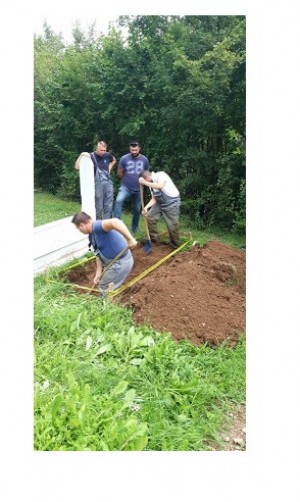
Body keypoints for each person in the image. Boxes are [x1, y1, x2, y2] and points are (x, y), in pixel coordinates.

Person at [71, 211, 137, 295]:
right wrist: (98, 273)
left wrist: (130, 239)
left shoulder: (97, 226)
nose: (79, 230)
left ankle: (103, 306)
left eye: (78, 228)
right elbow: (98, 255)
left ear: (82, 226)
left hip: (120, 263)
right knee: (105, 285)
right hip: (112, 264)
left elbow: (115, 222)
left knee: (104, 287)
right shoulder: (91, 236)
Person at [114, 140, 150, 233]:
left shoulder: (144, 159)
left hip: (139, 189)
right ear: (129, 149)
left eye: (136, 150)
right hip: (125, 187)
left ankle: (135, 228)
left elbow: (146, 173)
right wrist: (127, 179)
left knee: (137, 209)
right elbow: (119, 172)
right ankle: (117, 225)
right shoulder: (124, 158)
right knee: (118, 201)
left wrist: (144, 181)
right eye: (132, 150)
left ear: (139, 149)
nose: (134, 152)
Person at [139, 170, 181, 249]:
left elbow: (160, 186)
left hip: (171, 202)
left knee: (172, 225)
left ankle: (175, 245)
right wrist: (146, 207)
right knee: (150, 217)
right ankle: (154, 239)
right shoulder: (151, 184)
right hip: (159, 202)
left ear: (147, 177)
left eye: (145, 180)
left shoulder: (160, 175)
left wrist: (144, 182)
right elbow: (154, 199)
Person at [75, 141, 116, 219]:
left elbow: (114, 160)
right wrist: (82, 155)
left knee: (109, 206)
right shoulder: (90, 156)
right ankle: (98, 225)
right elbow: (77, 166)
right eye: (101, 150)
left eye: (104, 150)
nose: (103, 152)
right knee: (99, 207)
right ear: (97, 148)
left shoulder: (108, 155)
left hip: (108, 183)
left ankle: (108, 224)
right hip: (97, 185)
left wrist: (109, 168)